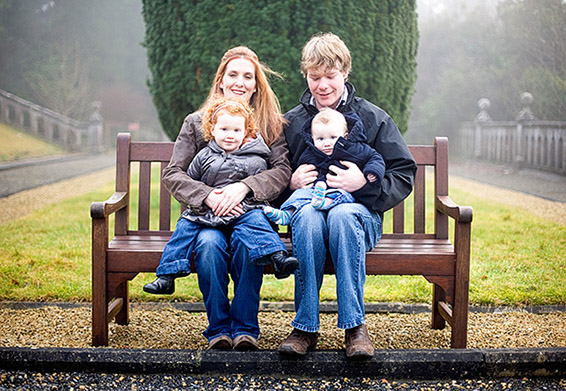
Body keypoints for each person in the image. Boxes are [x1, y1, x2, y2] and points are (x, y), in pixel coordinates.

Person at [277, 32, 417, 359]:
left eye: (330, 76)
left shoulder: (372, 118)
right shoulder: (291, 122)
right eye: (315, 77)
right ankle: (305, 327)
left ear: (345, 73)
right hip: (309, 215)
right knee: (309, 218)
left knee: (341, 215)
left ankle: (355, 327)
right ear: (306, 76)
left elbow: (403, 172)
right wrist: (291, 183)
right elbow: (272, 172)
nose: (322, 85)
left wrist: (363, 184)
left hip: (359, 218)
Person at [143, 46, 292, 351]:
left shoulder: (270, 125)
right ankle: (218, 330)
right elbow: (174, 173)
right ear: (220, 81)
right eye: (233, 74)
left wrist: (246, 187)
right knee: (210, 247)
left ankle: (246, 329)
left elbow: (281, 171)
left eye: (248, 76)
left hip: (250, 215)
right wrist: (208, 196)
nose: (240, 81)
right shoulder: (197, 123)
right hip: (205, 219)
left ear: (256, 85)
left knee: (248, 247)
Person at [143, 96, 297, 297]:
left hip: (243, 210)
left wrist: (245, 188)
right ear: (212, 130)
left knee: (258, 221)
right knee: (184, 227)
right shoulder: (204, 155)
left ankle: (278, 258)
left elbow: (266, 178)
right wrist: (206, 195)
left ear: (246, 134)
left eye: (236, 130)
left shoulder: (256, 157)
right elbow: (189, 179)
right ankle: (167, 275)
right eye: (224, 130)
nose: (230, 135)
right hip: (208, 213)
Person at [263, 107, 385, 225]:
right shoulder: (311, 153)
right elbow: (300, 168)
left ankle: (324, 202)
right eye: (320, 139)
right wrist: (295, 181)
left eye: (333, 137)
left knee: (341, 196)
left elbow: (374, 158)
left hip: (343, 191)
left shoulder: (354, 149)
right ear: (312, 139)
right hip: (315, 192)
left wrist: (372, 172)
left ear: (345, 136)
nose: (327, 143)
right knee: (299, 195)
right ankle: (288, 213)